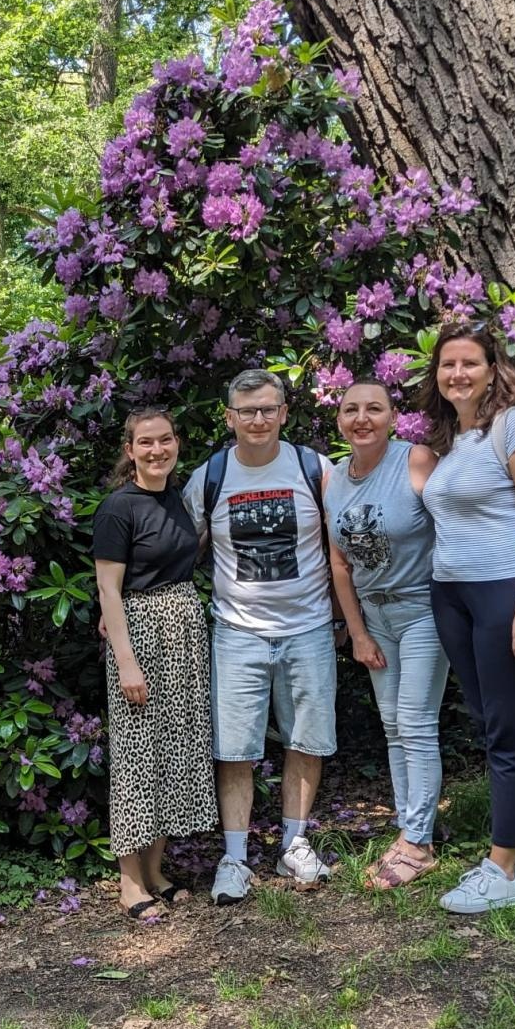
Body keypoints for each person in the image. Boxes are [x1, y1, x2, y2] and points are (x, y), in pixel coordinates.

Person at [420, 322, 515, 914]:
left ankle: (501, 870)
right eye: (447, 365)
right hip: (455, 594)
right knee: (496, 725)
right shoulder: (456, 438)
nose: (457, 374)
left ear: (491, 368)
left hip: (508, 593)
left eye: (469, 363)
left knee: (505, 733)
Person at [184, 367, 337, 904]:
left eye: (268, 408)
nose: (258, 419)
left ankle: (295, 844)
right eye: (247, 410)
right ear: (230, 417)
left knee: (306, 741)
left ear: (284, 414)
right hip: (237, 633)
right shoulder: (210, 477)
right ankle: (234, 858)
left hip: (309, 627)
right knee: (234, 749)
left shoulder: (313, 468)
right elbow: (182, 551)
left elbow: (342, 547)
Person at [93, 408, 219, 920]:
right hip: (141, 634)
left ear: (177, 443)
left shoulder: (179, 497)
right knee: (137, 758)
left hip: (184, 630)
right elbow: (108, 588)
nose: (157, 450)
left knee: (172, 751)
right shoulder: (117, 507)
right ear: (130, 450)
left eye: (165, 440)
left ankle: (156, 870)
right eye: (146, 443)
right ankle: (129, 881)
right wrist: (126, 662)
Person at [326, 380, 447, 888]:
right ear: (340, 421)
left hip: (423, 611)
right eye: (351, 409)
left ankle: (417, 845)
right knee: (394, 725)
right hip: (374, 620)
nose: (362, 418)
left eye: (373, 408)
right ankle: (409, 830)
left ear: (392, 416)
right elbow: (338, 562)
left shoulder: (416, 459)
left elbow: (453, 527)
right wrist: (357, 633)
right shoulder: (333, 479)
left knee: (416, 722)